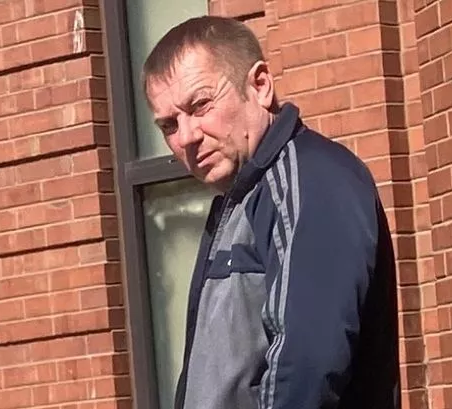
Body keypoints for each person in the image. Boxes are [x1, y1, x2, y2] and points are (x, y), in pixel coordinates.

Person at [142, 15, 401, 409]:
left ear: (260, 86)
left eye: (201, 105)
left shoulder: (311, 180)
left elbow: (309, 361)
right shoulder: (242, 199)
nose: (187, 137)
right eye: (169, 125)